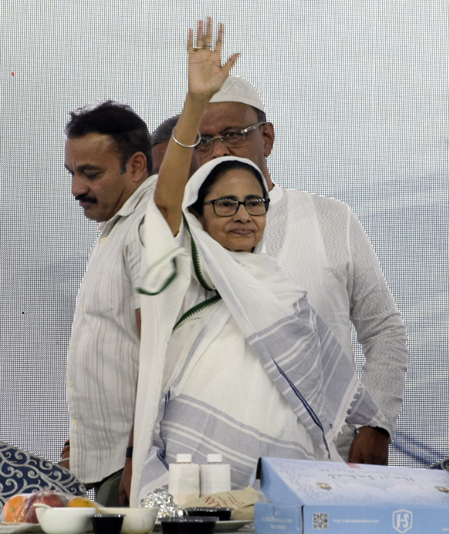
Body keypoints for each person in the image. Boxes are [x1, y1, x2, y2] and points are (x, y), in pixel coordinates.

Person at [130, 19, 384, 506]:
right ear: (197, 213)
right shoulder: (185, 267)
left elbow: (368, 345)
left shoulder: (280, 287)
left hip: (293, 480)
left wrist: (375, 424)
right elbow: (163, 204)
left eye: (254, 203)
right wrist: (194, 104)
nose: (243, 215)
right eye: (226, 204)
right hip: (196, 482)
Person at [151, 73, 409, 467]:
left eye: (233, 134)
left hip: (325, 461)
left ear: (267, 138)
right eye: (203, 141)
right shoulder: (187, 235)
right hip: (210, 465)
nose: (218, 150)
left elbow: (384, 330)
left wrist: (376, 426)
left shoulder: (331, 219)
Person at [62, 100, 156, 506]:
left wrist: (137, 455)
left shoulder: (147, 227)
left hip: (131, 464)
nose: (76, 189)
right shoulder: (119, 225)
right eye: (72, 173)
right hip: (113, 460)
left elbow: (159, 354)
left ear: (135, 167)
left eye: (91, 174)